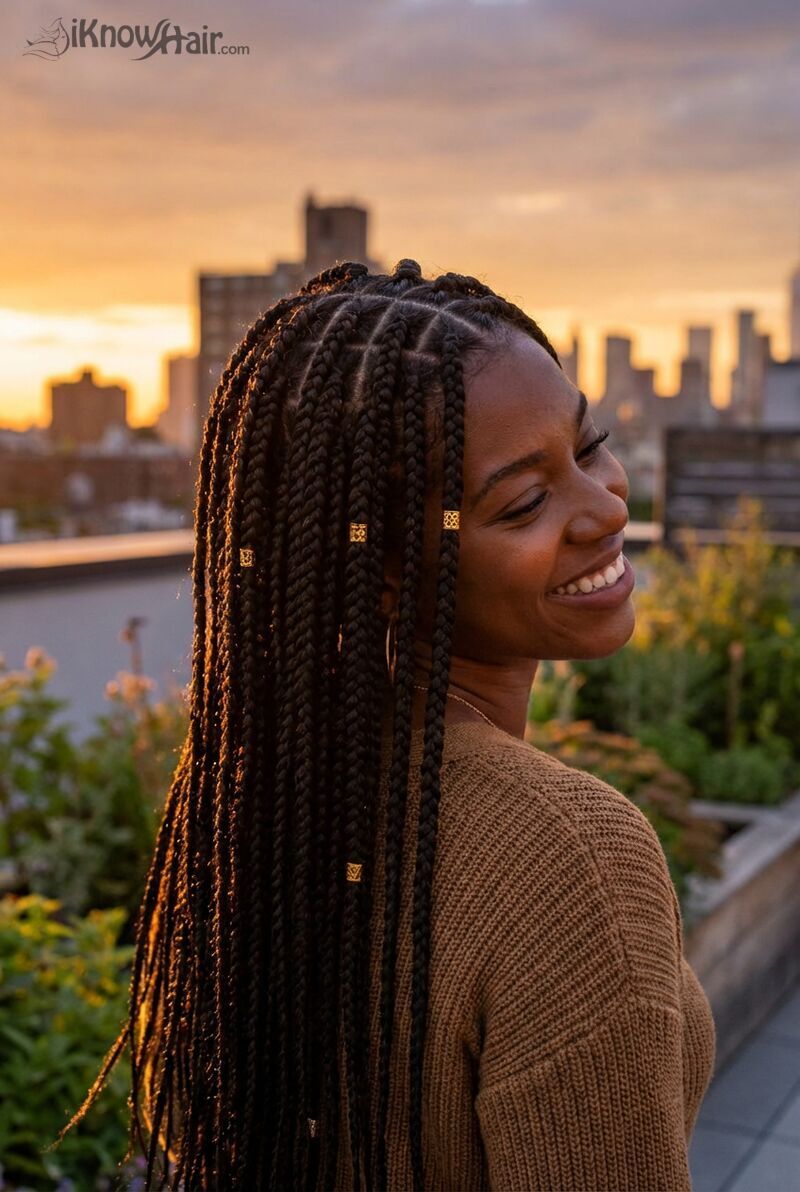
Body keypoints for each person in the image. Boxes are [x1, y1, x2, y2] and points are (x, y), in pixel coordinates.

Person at [60, 258, 716, 1190]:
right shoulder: (569, 859)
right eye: (525, 501)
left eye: (591, 444)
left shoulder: (256, 801)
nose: (607, 504)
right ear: (390, 568)